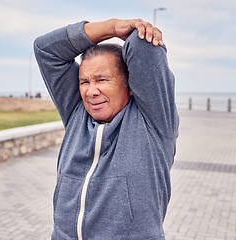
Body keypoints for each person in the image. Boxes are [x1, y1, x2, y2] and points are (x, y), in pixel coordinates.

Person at [34, 18, 179, 240]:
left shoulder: (153, 122)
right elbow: (46, 49)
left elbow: (142, 46)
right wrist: (111, 28)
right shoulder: (77, 113)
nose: (91, 91)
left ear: (129, 83)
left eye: (102, 79)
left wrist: (134, 31)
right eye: (84, 82)